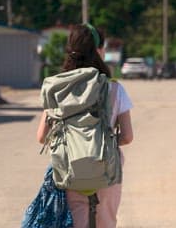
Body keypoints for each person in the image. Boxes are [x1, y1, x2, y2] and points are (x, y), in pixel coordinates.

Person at [31, 23, 134, 228]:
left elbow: (42, 136)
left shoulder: (57, 88)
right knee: (106, 220)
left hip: (70, 169)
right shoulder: (113, 88)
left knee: (76, 221)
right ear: (98, 50)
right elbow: (128, 136)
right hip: (107, 169)